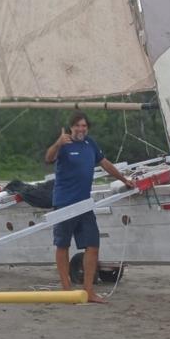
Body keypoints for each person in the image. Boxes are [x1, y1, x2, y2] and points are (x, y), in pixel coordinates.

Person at [44, 111, 133, 303]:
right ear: (71, 128)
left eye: (84, 126)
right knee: (63, 244)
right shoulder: (64, 144)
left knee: (92, 245)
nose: (81, 129)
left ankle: (89, 290)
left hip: (84, 204)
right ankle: (66, 289)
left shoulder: (90, 144)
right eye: (77, 126)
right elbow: (48, 158)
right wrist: (58, 143)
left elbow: (105, 163)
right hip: (64, 202)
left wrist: (124, 179)